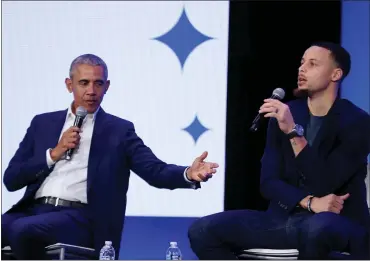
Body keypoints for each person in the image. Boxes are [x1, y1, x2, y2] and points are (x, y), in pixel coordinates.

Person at [1, 54, 219, 260]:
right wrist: (53, 154)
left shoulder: (119, 131)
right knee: (13, 226)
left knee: (23, 230)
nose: (91, 91)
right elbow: (11, 180)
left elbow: (154, 171)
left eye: (98, 83)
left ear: (107, 87)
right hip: (34, 209)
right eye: (84, 83)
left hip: (80, 217)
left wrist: (188, 174)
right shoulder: (42, 123)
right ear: (69, 85)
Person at [188, 42, 370, 259]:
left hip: (338, 221)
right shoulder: (286, 113)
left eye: (313, 64)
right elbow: (268, 182)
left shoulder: (357, 122)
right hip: (285, 219)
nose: (302, 69)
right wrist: (308, 202)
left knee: (317, 229)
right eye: (302, 63)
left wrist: (293, 132)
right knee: (202, 230)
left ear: (335, 74)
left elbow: (325, 183)